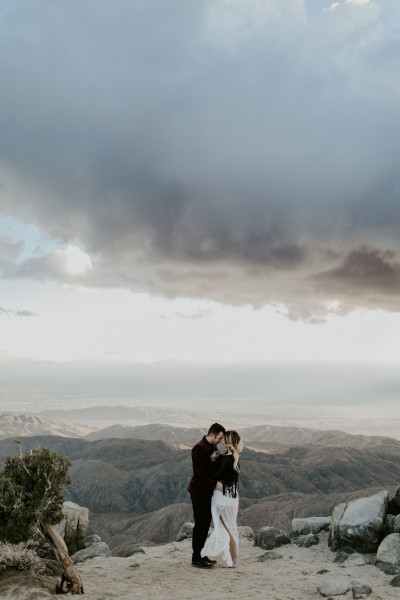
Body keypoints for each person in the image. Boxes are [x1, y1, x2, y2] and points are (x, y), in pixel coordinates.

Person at [201, 430, 243, 568]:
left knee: (228, 529)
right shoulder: (233, 457)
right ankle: (233, 559)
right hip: (231, 497)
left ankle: (234, 561)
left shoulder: (228, 459)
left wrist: (213, 461)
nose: (221, 441)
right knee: (231, 527)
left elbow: (215, 475)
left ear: (229, 442)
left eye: (224, 439)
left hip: (223, 499)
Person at [187, 422, 225, 569]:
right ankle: (196, 558)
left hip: (207, 491)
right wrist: (215, 484)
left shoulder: (212, 446)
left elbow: (211, 465)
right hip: (198, 491)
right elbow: (199, 473)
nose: (220, 441)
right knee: (200, 524)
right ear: (211, 435)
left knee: (205, 523)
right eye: (219, 438)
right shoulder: (198, 448)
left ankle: (202, 554)